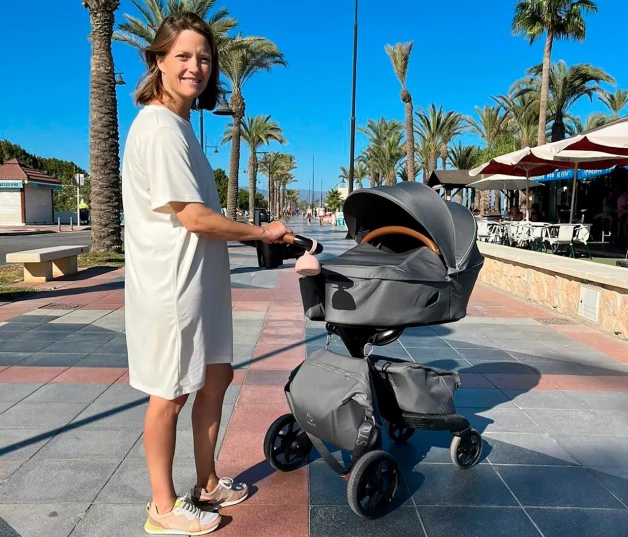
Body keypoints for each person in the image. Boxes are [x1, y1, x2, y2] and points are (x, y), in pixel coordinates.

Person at [121, 12, 291, 535]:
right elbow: (192, 217)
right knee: (169, 392)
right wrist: (261, 234)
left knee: (216, 375)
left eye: (203, 57)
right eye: (183, 56)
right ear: (158, 61)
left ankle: (208, 482)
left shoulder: (181, 126)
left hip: (200, 282)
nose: (195, 66)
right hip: (172, 286)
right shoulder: (158, 126)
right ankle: (162, 507)